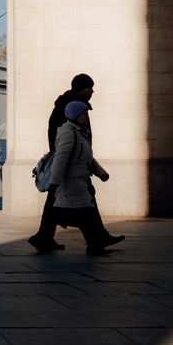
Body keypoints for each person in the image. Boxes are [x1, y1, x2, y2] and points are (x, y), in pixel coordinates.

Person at [28, 73, 124, 252]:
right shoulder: (71, 111)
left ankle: (45, 236)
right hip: (71, 168)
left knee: (70, 202)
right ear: (82, 88)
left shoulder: (69, 106)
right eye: (90, 88)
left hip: (75, 166)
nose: (93, 91)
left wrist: (96, 169)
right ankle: (95, 239)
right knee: (81, 204)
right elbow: (63, 149)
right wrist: (57, 176)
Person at [47, 101, 114, 255]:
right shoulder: (68, 133)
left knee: (84, 215)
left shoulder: (81, 132)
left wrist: (101, 173)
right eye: (84, 114)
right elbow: (60, 158)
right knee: (86, 216)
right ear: (74, 115)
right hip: (71, 183)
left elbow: (88, 158)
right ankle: (94, 246)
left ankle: (93, 245)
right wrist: (54, 182)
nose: (86, 117)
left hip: (80, 182)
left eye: (87, 114)